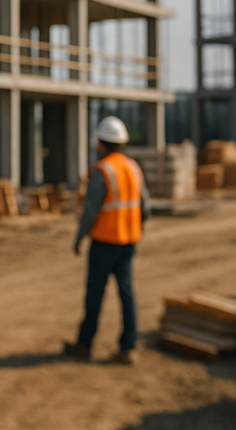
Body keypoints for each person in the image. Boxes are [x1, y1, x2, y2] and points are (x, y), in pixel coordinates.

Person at [64, 116, 150, 365]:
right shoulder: (134, 168)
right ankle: (128, 348)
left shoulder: (102, 171)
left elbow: (90, 210)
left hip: (104, 242)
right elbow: (145, 206)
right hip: (128, 241)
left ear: (101, 143)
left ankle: (85, 345)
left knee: (94, 295)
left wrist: (80, 237)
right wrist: (136, 228)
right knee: (127, 293)